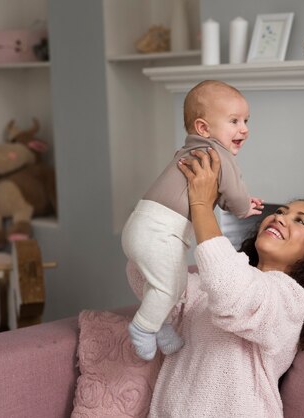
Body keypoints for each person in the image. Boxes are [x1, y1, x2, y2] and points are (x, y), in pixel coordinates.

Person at [124, 148, 304, 416]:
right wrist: (170, 209)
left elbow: (232, 292)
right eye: (281, 211)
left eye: (299, 221)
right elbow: (144, 278)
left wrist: (201, 205)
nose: (279, 217)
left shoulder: (289, 300)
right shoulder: (208, 286)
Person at [121, 80, 264, 360]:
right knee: (167, 286)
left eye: (246, 120)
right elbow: (233, 190)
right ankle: (142, 327)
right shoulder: (217, 154)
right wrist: (243, 207)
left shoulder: (192, 151)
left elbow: (215, 191)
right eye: (234, 121)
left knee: (171, 285)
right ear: (203, 128)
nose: (244, 128)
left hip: (144, 227)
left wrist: (235, 200)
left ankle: (161, 328)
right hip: (158, 231)